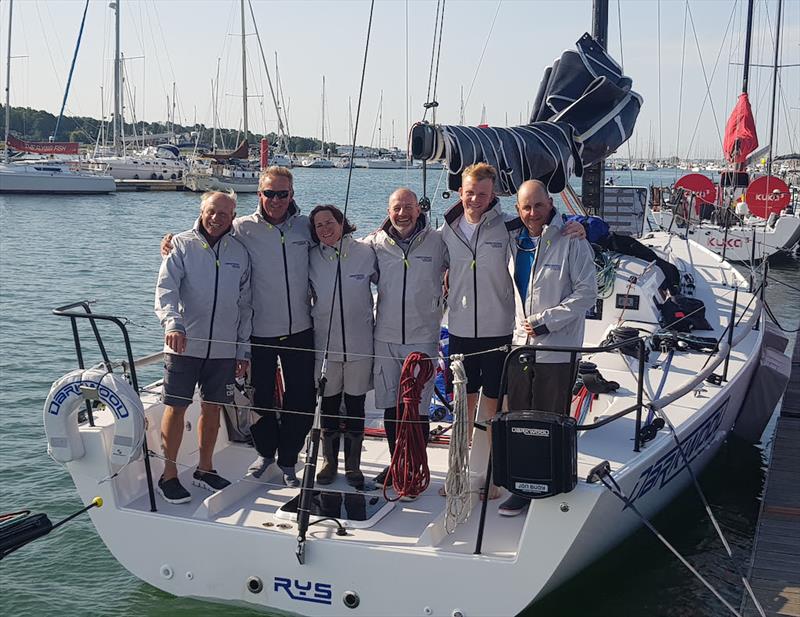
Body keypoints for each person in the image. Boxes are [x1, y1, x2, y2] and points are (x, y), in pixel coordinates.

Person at [162, 166, 315, 488]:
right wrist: (171, 243)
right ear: (259, 195)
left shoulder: (307, 227)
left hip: (300, 328)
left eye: (282, 194)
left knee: (301, 399)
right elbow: (203, 240)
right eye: (269, 193)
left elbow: (338, 236)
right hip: (258, 331)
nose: (276, 200)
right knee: (258, 400)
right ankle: (265, 454)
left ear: (292, 195)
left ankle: (288, 460)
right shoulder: (241, 228)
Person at [441, 163, 586, 499]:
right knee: (462, 407)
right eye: (470, 193)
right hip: (460, 331)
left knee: (494, 411)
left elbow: (544, 227)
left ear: (493, 196)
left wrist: (584, 226)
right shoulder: (446, 230)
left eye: (483, 194)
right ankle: (457, 474)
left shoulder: (508, 227)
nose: (475, 199)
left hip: (498, 332)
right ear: (460, 192)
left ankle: (495, 476)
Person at [498, 179, 597, 517]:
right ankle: (522, 485)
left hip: (557, 347)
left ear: (550, 203)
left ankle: (551, 480)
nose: (532, 213)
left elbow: (587, 293)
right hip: (520, 346)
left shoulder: (572, 240)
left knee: (550, 417)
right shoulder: (514, 240)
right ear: (517, 209)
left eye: (538, 205)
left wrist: (546, 321)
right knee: (520, 417)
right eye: (526, 207)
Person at [154, 191, 252, 504]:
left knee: (213, 408)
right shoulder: (180, 245)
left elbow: (246, 306)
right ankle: (168, 475)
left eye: (224, 213)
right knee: (176, 406)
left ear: (233, 216)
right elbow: (165, 292)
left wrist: (242, 350)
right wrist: (172, 323)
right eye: (212, 211)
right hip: (184, 345)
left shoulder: (240, 251)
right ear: (202, 209)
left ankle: (205, 470)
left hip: (223, 348)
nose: (217, 218)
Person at [366, 188, 447, 487]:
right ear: (388, 211)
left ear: (419, 210)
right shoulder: (375, 243)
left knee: (417, 408)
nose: (403, 213)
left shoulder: (439, 241)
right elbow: (344, 256)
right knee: (391, 405)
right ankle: (395, 464)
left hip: (422, 338)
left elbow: (471, 255)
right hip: (384, 336)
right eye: (397, 208)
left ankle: (415, 466)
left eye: (409, 207)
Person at [308, 205, 378, 487]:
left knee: (356, 405)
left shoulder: (365, 251)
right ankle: (329, 462)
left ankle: (353, 466)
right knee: (329, 405)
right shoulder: (310, 257)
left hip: (360, 346)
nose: (325, 229)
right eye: (318, 226)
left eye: (329, 222)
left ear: (342, 222)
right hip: (325, 346)